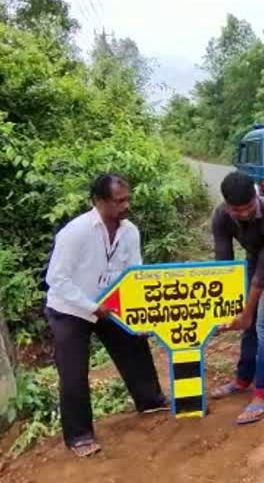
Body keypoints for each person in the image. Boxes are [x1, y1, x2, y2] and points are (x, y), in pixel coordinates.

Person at [44, 173, 169, 458]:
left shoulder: (130, 232)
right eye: (118, 201)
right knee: (73, 371)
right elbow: (57, 279)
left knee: (134, 343)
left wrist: (140, 314)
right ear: (98, 201)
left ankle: (150, 400)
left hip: (109, 305)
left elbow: (134, 274)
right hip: (69, 308)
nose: (125, 206)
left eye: (127, 199)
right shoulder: (75, 232)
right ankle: (79, 436)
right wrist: (90, 306)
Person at [209, 171, 264, 425]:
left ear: (256, 197)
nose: (244, 214)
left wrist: (247, 312)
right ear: (227, 206)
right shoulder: (221, 216)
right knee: (247, 327)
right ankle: (243, 379)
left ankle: (263, 394)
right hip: (252, 261)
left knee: (262, 324)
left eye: (248, 207)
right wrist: (224, 310)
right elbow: (223, 263)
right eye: (237, 210)